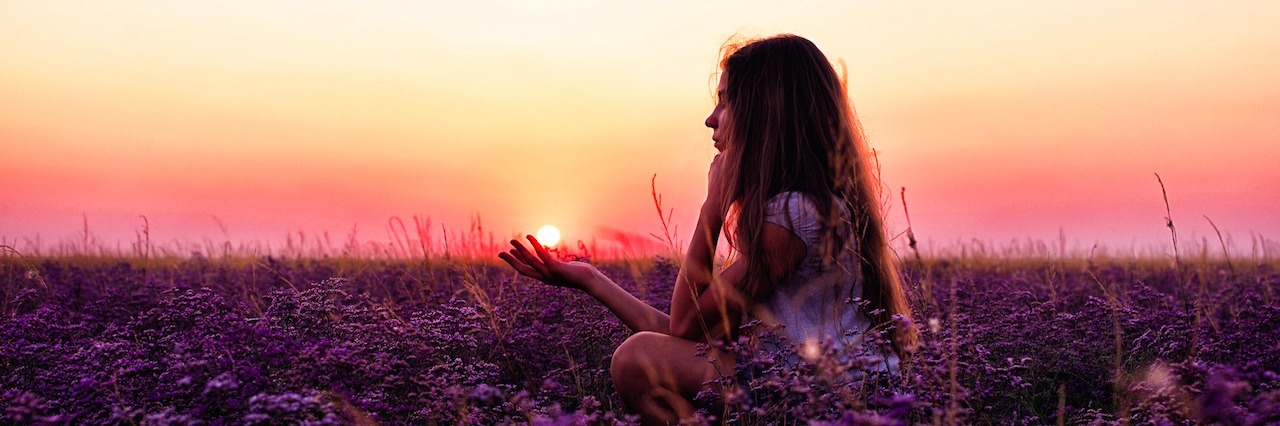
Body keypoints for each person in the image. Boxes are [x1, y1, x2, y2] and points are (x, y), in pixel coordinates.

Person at [498, 34, 918, 425]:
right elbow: (692, 336)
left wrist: (713, 207)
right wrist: (590, 278)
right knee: (646, 353)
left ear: (763, 114)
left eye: (724, 103)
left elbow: (683, 329)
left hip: (832, 397)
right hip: (819, 386)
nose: (710, 119)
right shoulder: (804, 207)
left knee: (635, 360)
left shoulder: (794, 215)